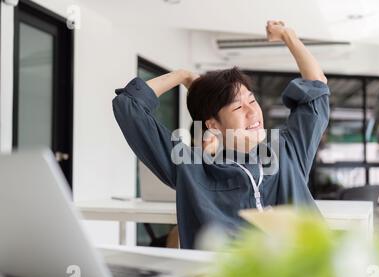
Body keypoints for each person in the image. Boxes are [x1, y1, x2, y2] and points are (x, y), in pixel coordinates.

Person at [112, 20, 330, 249]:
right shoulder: (192, 167)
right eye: (237, 107)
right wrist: (183, 75)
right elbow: (128, 106)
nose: (252, 111)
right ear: (213, 124)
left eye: (252, 100)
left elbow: (316, 88)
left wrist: (287, 35)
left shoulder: (287, 149)